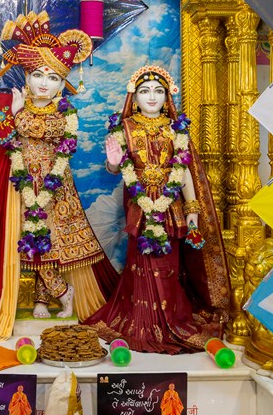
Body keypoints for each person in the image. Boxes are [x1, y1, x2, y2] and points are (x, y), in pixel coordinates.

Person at [0, 11, 118, 342]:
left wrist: (13, 113)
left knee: (50, 240)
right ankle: (50, 294)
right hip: (19, 185)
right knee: (28, 239)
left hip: (54, 185)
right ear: (26, 77)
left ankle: (54, 292)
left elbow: (45, 131)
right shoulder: (15, 103)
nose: (43, 83)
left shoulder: (63, 112)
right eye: (37, 74)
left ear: (61, 84)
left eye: (52, 77)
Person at [85, 66, 229, 353]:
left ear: (167, 97)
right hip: (139, 204)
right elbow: (115, 169)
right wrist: (113, 161)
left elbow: (184, 170)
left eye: (158, 91)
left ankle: (170, 320)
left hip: (170, 203)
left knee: (168, 263)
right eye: (145, 91)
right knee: (139, 261)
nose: (152, 96)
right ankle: (139, 319)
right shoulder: (125, 127)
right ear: (134, 97)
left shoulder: (176, 129)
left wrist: (192, 209)